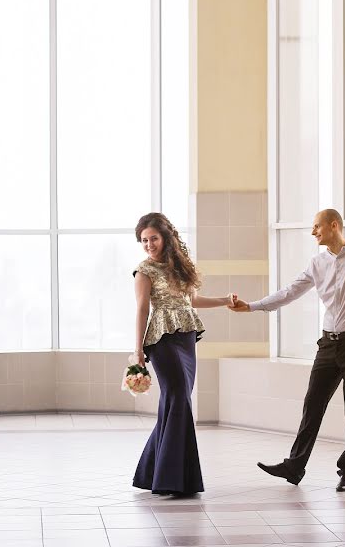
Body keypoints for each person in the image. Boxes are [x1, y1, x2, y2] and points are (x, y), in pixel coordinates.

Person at [228, 209, 345, 492]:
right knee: (312, 404)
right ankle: (294, 466)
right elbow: (290, 291)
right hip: (328, 344)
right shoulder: (317, 263)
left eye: (317, 226)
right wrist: (253, 306)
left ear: (334, 226)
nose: (313, 232)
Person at [132, 212, 235, 495]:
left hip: (186, 336)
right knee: (178, 398)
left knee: (176, 401)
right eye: (144, 240)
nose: (149, 244)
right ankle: (173, 479)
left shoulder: (180, 268)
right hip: (161, 339)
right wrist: (138, 351)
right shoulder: (144, 271)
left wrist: (224, 301)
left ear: (166, 237)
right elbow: (142, 308)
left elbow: (192, 300)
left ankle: (154, 473)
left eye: (153, 238)